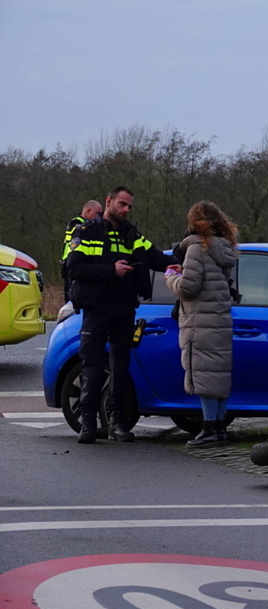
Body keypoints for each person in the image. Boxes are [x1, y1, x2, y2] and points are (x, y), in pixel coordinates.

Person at [66, 187, 179, 444]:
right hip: (96, 308)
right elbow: (74, 268)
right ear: (109, 202)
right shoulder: (88, 232)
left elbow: (156, 257)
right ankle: (87, 424)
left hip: (124, 308)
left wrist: (181, 259)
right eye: (122, 204)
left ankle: (117, 423)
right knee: (92, 365)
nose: (126, 210)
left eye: (129, 206)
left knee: (120, 365)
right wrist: (111, 270)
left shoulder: (132, 234)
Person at [165, 201, 239, 447]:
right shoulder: (224, 250)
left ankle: (208, 430)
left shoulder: (197, 249)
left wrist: (172, 278)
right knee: (218, 376)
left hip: (200, 323)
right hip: (219, 320)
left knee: (205, 377)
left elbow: (188, 288)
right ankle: (219, 428)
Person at [61, 200, 102, 302]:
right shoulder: (76, 223)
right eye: (97, 213)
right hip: (70, 264)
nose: (99, 217)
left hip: (76, 263)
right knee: (72, 299)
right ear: (87, 211)